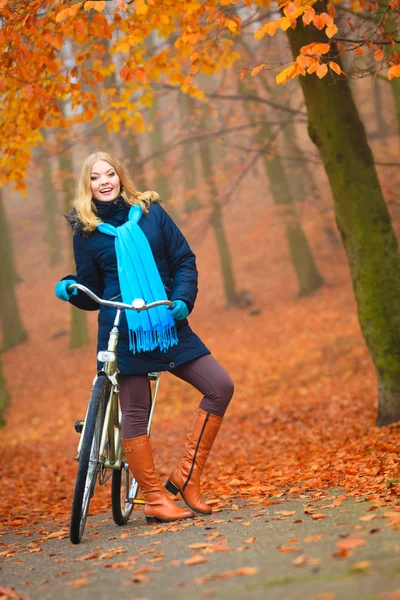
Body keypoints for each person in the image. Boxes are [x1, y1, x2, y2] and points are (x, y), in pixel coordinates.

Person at [55, 152, 234, 524]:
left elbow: (184, 259)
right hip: (123, 330)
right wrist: (71, 289)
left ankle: (187, 475)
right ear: (86, 185)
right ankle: (154, 499)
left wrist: (183, 299)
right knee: (134, 413)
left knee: (220, 385)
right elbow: (91, 288)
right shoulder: (86, 234)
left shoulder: (151, 214)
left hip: (167, 321)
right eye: (95, 177)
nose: (105, 182)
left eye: (110, 174)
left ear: (121, 177)